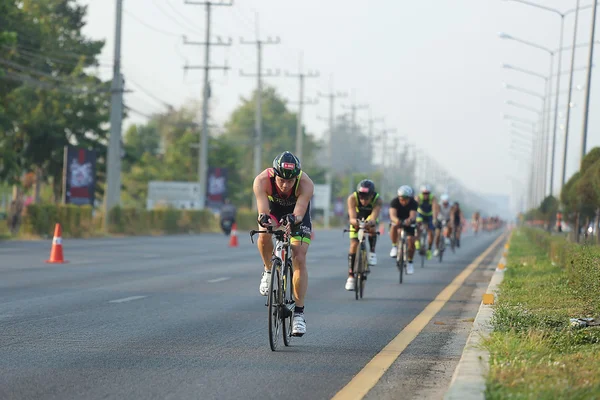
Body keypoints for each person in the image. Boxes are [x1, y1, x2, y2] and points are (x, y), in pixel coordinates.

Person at [252, 151, 314, 337]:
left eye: (290, 181)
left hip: (296, 214)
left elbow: (300, 211)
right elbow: (263, 211)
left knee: (299, 257)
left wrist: (292, 219)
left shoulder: (306, 184)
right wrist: (267, 221)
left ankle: (299, 314)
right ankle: (269, 270)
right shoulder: (261, 180)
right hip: (274, 210)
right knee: (263, 233)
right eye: (281, 181)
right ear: (274, 174)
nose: (286, 185)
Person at [345, 179, 382, 291]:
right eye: (361, 196)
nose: (363, 200)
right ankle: (351, 276)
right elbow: (351, 216)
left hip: (370, 219)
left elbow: (374, 215)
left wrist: (370, 222)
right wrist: (355, 222)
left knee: (372, 228)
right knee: (353, 246)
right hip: (357, 218)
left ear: (372, 195)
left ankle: (372, 251)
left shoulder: (377, 199)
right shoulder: (352, 198)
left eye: (366, 197)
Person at [389, 185, 418, 275]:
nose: (403, 201)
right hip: (398, 220)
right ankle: (394, 246)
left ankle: (410, 262)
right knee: (393, 226)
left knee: (411, 241)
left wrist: (409, 220)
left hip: (408, 221)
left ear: (410, 198)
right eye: (401, 199)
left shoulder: (414, 203)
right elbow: (392, 215)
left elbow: (413, 215)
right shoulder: (394, 202)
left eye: (406, 199)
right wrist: (397, 221)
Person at [415, 184, 438, 260]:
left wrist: (434, 219)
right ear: (421, 193)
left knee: (431, 232)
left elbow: (434, 208)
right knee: (418, 225)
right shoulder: (418, 197)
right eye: (424, 193)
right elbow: (414, 207)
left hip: (429, 215)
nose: (425, 195)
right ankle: (417, 241)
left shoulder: (433, 198)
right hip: (420, 213)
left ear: (429, 193)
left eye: (427, 193)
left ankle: (429, 250)